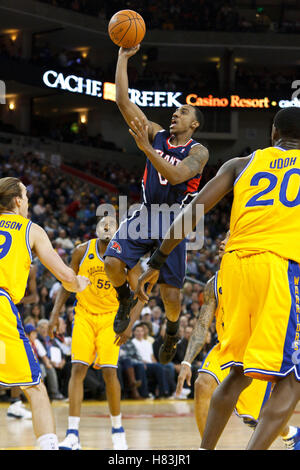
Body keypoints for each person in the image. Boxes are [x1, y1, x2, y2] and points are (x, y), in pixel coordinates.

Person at [135, 106, 300, 450]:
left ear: (273, 134)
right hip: (281, 268)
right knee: (292, 378)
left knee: (239, 371)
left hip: (234, 270)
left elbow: (190, 212)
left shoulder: (240, 164)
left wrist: (157, 260)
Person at [104, 45, 209, 365]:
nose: (176, 113)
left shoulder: (199, 151)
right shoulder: (155, 133)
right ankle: (124, 301)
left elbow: (177, 176)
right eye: (175, 111)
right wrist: (123, 57)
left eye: (184, 112)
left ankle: (173, 329)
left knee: (171, 297)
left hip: (174, 220)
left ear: (194, 125)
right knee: (111, 262)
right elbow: (122, 100)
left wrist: (146, 150)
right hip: (146, 212)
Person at [176, 232, 300, 449]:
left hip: (255, 347)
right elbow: (202, 324)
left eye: (229, 237)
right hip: (225, 346)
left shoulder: (262, 272)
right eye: (222, 238)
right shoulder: (213, 283)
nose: (223, 242)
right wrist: (187, 362)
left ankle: (290, 433)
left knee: (256, 415)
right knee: (202, 384)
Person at [0, 176, 90, 450]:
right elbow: (63, 273)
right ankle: (49, 445)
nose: (27, 201)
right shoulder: (30, 229)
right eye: (25, 196)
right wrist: (78, 283)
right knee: (35, 388)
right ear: (17, 200)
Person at [48, 216, 142, 450]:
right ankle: (72, 434)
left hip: (111, 317)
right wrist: (54, 314)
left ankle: (118, 430)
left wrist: (129, 323)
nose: (108, 228)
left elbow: (140, 293)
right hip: (84, 315)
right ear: (98, 229)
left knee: (110, 372)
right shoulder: (81, 251)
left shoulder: (127, 257)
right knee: (78, 368)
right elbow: (67, 283)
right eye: (104, 224)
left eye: (113, 225)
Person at [6, 264, 39, 420]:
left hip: (16, 313)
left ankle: (15, 403)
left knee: (16, 359)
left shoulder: (30, 269)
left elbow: (35, 297)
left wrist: (14, 298)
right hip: (3, 311)